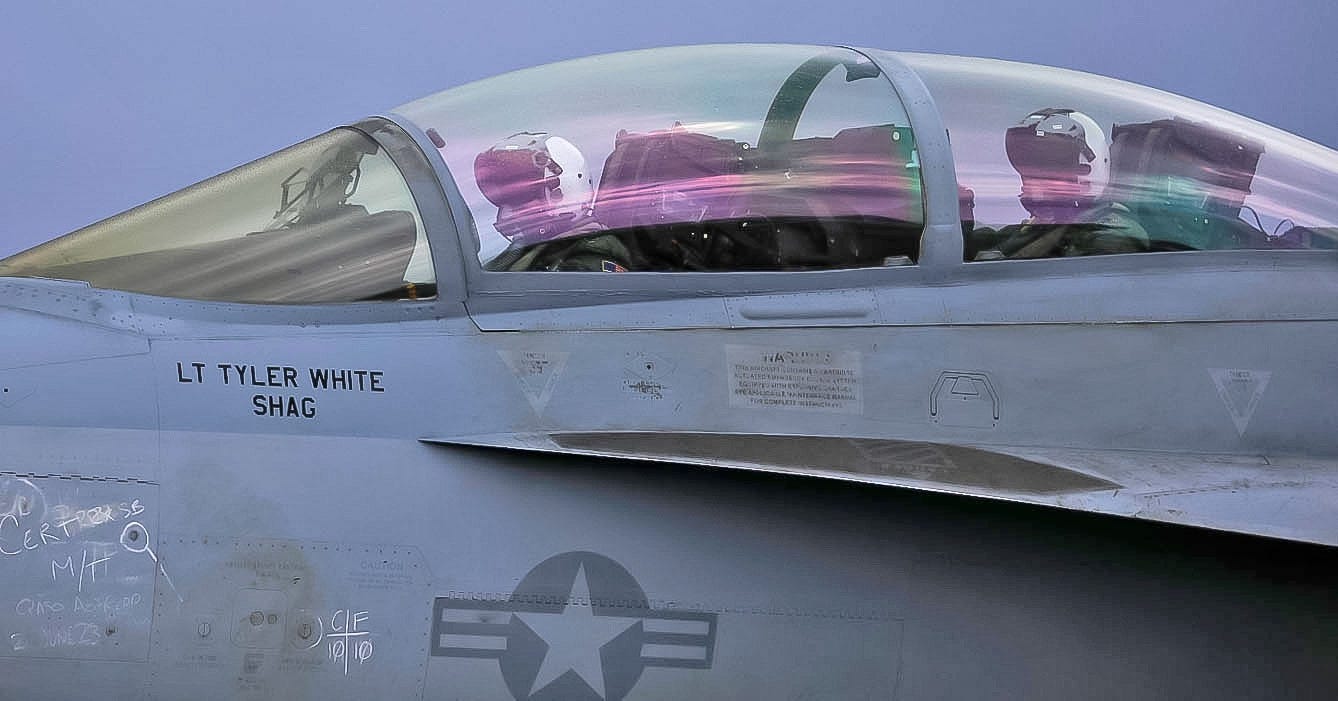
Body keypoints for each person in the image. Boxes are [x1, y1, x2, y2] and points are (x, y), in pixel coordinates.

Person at [988, 108, 1149, 259]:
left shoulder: (1111, 238)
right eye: (1030, 168)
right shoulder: (1038, 228)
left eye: (1052, 168)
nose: (1034, 180)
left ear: (1091, 169)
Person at [473, 132, 632, 271]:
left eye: (522, 196)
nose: (510, 208)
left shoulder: (588, 264)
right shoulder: (522, 253)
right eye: (505, 197)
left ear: (565, 189)